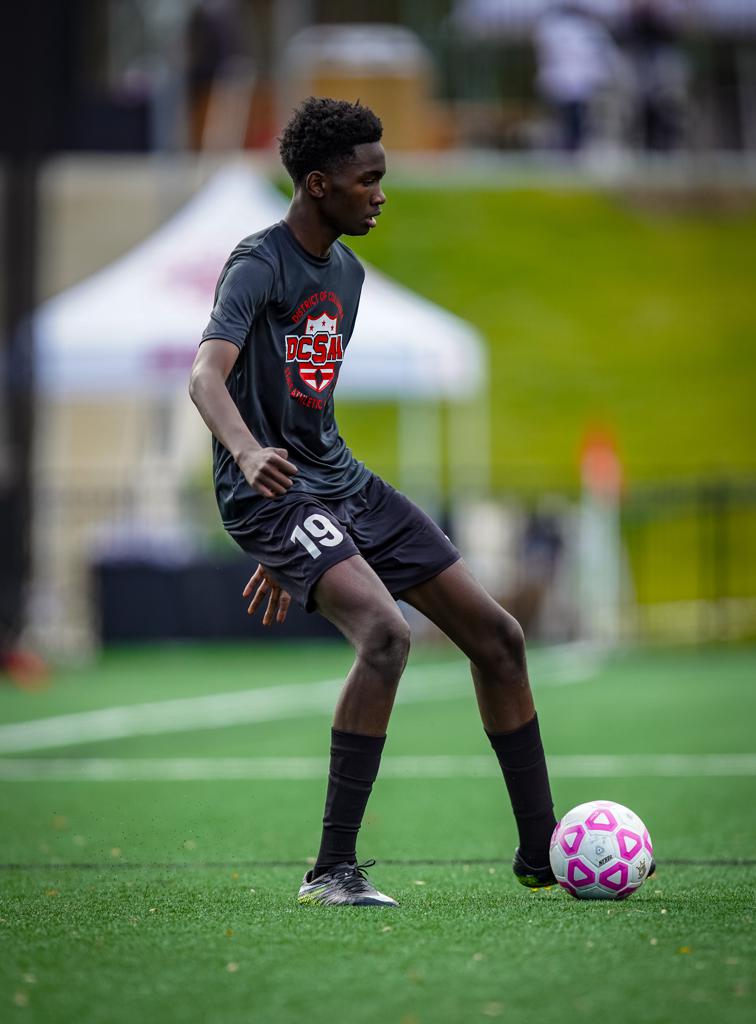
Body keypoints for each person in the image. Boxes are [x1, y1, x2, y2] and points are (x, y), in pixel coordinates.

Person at [189, 97, 558, 907]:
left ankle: (543, 854)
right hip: (272, 490)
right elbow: (205, 375)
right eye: (370, 180)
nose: (381, 194)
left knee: (499, 637)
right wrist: (253, 466)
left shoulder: (348, 273)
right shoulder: (259, 262)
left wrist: (315, 555)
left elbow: (308, 406)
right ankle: (331, 873)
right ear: (319, 185)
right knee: (387, 637)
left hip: (337, 487)